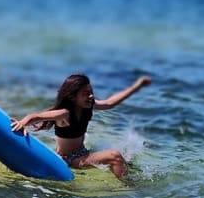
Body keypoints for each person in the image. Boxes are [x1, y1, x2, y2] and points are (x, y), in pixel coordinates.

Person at [11, 72, 152, 178]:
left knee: (126, 158)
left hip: (83, 154)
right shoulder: (65, 114)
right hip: (69, 160)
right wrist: (22, 123)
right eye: (86, 93)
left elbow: (110, 103)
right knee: (115, 156)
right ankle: (128, 188)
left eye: (91, 92)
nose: (91, 96)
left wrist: (137, 86)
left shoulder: (88, 106)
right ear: (73, 97)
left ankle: (122, 176)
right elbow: (36, 116)